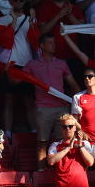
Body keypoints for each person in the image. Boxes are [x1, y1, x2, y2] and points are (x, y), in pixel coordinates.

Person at [23, 33, 77, 164]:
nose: (54, 45)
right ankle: (41, 171)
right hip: (43, 107)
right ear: (42, 46)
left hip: (62, 107)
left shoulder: (61, 63)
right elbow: (16, 80)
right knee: (42, 141)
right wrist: (9, 70)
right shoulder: (33, 64)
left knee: (63, 141)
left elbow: (73, 84)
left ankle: (60, 170)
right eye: (50, 43)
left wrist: (82, 99)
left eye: (54, 42)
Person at [47, 114, 94, 187]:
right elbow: (51, 161)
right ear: (61, 129)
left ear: (75, 128)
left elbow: (90, 162)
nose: (67, 129)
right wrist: (68, 148)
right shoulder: (55, 145)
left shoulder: (85, 143)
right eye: (64, 127)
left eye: (70, 126)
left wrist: (80, 146)